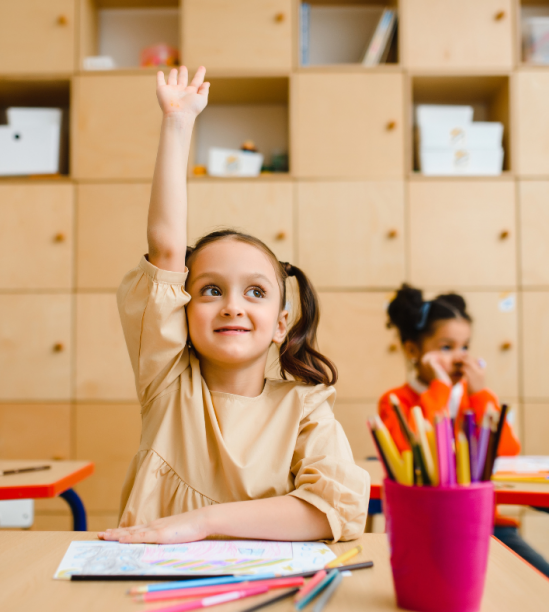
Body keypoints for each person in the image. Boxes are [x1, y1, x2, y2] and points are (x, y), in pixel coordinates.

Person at [99, 66, 369, 545]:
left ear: (281, 323)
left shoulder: (305, 408)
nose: (232, 307)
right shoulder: (167, 381)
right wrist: (177, 124)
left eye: (256, 292)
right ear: (181, 308)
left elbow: (333, 511)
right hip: (156, 585)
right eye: (210, 290)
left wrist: (203, 523)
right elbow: (165, 249)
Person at [379, 284, 549, 590]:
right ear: (413, 350)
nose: (459, 357)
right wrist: (439, 389)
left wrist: (481, 395)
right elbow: (408, 449)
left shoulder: (474, 397)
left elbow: (506, 453)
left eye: (465, 346)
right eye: (446, 347)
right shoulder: (396, 401)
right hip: (428, 528)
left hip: (485, 525)